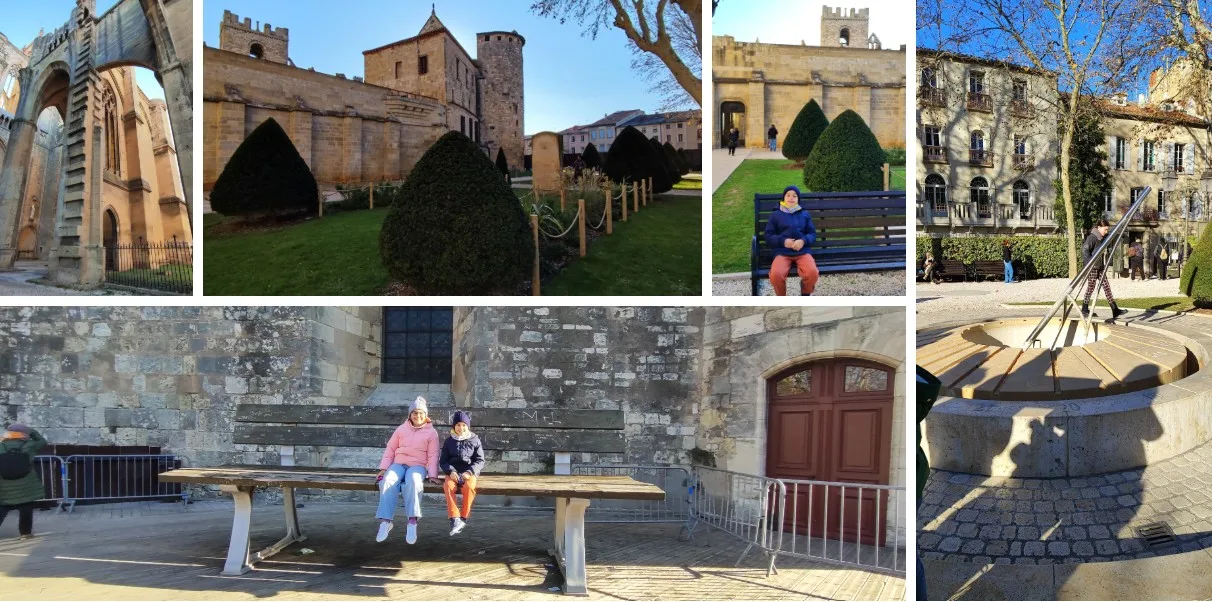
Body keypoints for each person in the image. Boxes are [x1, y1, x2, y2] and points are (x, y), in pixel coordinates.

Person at [375, 397, 441, 544]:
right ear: (410, 415)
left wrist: (432, 474)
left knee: (414, 482)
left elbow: (433, 455)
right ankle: (386, 521)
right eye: (415, 413)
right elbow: (391, 448)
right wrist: (384, 468)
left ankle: (412, 521)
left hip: (417, 466)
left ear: (426, 415)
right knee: (388, 481)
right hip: (398, 464)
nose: (418, 416)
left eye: (421, 413)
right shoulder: (401, 429)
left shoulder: (432, 433)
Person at [765, 185, 819, 296]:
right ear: (783, 198)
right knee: (776, 274)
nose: (791, 198)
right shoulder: (776, 215)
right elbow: (768, 235)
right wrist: (783, 241)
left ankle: (805, 293)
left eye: (795, 196)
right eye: (788, 195)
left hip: (802, 251)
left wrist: (803, 241)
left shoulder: (804, 214)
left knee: (812, 273)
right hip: (782, 252)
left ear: (798, 199)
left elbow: (812, 234)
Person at [439, 411, 484, 536]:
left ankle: (463, 517)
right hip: (453, 472)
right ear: (454, 427)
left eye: (464, 425)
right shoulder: (449, 442)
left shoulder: (475, 440)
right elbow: (443, 461)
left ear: (467, 426)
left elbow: (480, 460)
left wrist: (469, 472)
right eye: (458, 425)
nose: (461, 428)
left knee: (469, 488)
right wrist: (450, 471)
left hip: (469, 472)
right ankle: (454, 518)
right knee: (448, 487)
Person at [0, 424, 48, 540]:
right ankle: (25, 533)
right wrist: (31, 431)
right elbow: (42, 441)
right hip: (26, 483)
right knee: (26, 507)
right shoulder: (29, 445)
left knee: (2, 508)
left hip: (4, 484)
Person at [1082, 219, 1127, 319]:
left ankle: (1114, 309)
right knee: (1091, 287)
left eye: (1107, 230)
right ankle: (1084, 308)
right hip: (1093, 267)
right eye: (1105, 229)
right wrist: (1090, 263)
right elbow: (1085, 249)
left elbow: (1110, 235)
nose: (1106, 232)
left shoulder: (1100, 238)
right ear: (1098, 228)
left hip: (1100, 266)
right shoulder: (1092, 238)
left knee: (1106, 286)